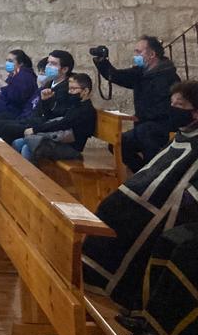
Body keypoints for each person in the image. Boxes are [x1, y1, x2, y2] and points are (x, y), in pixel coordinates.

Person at [82, 80, 198, 321]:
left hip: (178, 210)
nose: (174, 108)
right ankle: (91, 281)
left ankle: (135, 303)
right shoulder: (185, 133)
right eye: (172, 103)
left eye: (181, 104)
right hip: (152, 197)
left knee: (135, 221)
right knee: (114, 209)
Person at [94, 36, 186, 172]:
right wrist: (102, 61)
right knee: (118, 144)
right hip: (144, 126)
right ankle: (142, 174)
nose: (135, 56)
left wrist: (142, 116)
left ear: (152, 54)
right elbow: (115, 75)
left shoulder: (167, 77)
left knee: (148, 140)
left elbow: (166, 107)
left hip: (161, 127)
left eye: (138, 52)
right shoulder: (140, 72)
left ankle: (150, 177)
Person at [0, 50, 75, 144]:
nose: (48, 66)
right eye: (48, 62)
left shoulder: (66, 89)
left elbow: (51, 114)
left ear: (64, 69)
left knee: (1, 125)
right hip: (29, 118)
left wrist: (31, 125)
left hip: (40, 125)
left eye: (53, 64)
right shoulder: (49, 83)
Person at [11, 73, 97, 164]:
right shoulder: (75, 104)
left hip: (71, 148)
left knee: (27, 148)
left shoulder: (85, 110)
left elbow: (62, 124)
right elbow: (51, 117)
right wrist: (45, 101)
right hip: (59, 140)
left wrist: (34, 130)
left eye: (73, 89)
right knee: (18, 142)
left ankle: (29, 176)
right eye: (69, 88)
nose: (69, 92)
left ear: (86, 91)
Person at [0, 49, 38, 129]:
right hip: (3, 108)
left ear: (20, 63)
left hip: (14, 112)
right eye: (6, 60)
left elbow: (16, 96)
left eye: (10, 61)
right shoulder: (14, 74)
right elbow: (6, 91)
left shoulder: (25, 76)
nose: (7, 63)